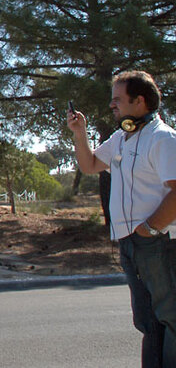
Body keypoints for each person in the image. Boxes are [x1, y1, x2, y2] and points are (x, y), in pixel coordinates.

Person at [67, 71, 176, 367]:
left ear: (139, 101)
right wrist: (79, 133)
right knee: (147, 321)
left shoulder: (163, 138)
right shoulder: (120, 138)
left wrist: (149, 228)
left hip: (157, 242)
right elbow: (89, 165)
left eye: (117, 100)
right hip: (130, 242)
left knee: (171, 317)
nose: (112, 106)